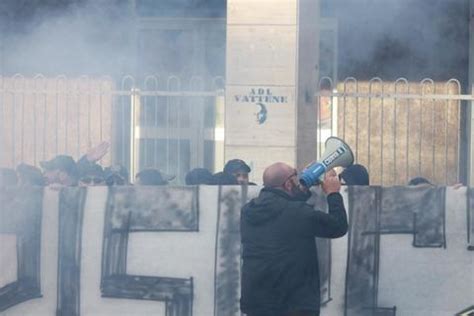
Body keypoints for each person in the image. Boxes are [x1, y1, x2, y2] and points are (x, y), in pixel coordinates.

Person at [240, 162, 348, 316]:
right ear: (288, 184)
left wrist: (302, 188)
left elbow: (284, 209)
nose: (299, 179)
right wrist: (333, 193)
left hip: (256, 304)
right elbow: (338, 226)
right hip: (292, 306)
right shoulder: (297, 213)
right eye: (295, 176)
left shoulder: (248, 212)